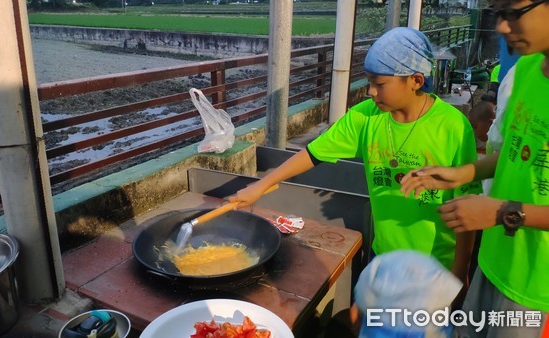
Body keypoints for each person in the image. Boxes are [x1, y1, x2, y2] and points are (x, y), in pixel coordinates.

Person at [230, 27, 481, 284]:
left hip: (435, 267)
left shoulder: (453, 127)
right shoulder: (366, 116)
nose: (371, 91)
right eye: (369, 81)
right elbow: (313, 154)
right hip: (384, 255)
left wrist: (460, 272)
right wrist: (261, 185)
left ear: (416, 81)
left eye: (380, 84)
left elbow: (467, 203)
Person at [400, 1, 549, 336]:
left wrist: (503, 213)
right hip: (494, 263)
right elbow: (515, 154)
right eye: (498, 13)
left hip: (537, 291)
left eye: (513, 12)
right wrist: (462, 173)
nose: (501, 27)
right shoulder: (527, 70)